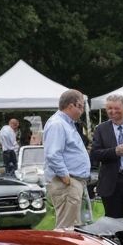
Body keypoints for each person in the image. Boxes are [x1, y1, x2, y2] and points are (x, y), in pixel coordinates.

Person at [43, 89, 92, 229]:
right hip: (66, 183)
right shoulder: (57, 124)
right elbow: (53, 154)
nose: (82, 111)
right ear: (71, 106)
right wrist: (65, 177)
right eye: (81, 106)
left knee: (73, 228)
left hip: (72, 181)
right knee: (66, 228)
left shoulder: (66, 123)